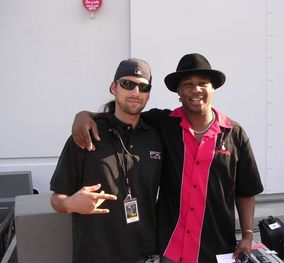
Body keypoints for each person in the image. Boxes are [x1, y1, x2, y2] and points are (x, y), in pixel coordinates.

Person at [72, 53, 264, 263]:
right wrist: (84, 115)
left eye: (203, 83)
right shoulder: (162, 124)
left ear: (213, 88)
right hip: (171, 251)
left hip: (216, 249)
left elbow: (246, 191)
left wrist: (247, 235)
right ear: (179, 92)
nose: (196, 89)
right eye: (187, 84)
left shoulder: (235, 134)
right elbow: (125, 113)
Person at [50, 58, 163, 263]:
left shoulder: (157, 136)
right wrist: (71, 204)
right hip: (96, 255)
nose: (135, 92)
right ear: (113, 87)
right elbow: (56, 199)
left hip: (146, 254)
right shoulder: (85, 135)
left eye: (143, 87)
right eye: (127, 84)